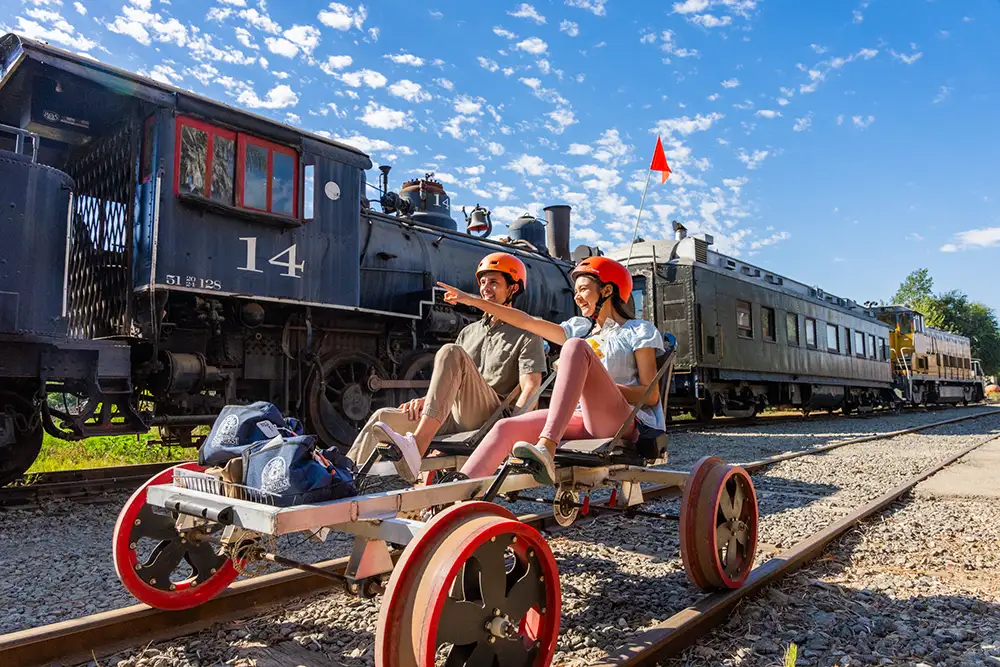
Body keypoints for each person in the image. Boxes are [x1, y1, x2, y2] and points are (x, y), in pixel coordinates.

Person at [438, 256, 664, 485]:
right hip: (579, 417)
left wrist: (588, 384)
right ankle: (459, 492)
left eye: (583, 289)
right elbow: (527, 322)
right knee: (505, 427)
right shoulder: (580, 329)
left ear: (607, 290)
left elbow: (650, 395)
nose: (577, 297)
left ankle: (546, 446)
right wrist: (472, 300)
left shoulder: (637, 330)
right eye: (575, 291)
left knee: (574, 347)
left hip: (621, 421)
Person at [347, 252, 546, 483]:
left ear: (513, 288)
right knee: (383, 417)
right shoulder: (469, 332)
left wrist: (515, 431)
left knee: (450, 351)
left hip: (492, 418)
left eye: (494, 282)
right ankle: (344, 477)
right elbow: (452, 383)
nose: (485, 288)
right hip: (454, 414)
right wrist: (426, 401)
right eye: (483, 282)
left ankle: (416, 447)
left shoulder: (528, 333)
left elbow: (531, 386)